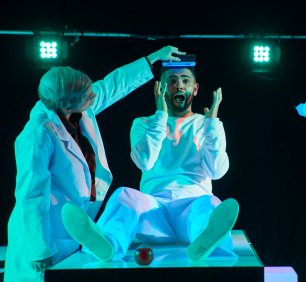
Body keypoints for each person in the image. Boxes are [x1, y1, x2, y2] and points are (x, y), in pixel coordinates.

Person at [4, 45, 185, 282]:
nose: (94, 96)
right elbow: (31, 195)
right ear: (66, 106)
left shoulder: (75, 106)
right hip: (46, 235)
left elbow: (112, 85)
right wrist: (39, 250)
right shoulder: (38, 135)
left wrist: (152, 59)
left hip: (73, 229)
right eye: (87, 96)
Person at [60, 60, 239, 263]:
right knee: (124, 195)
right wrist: (160, 116)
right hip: (154, 214)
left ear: (195, 89)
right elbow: (145, 162)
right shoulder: (143, 124)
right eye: (172, 81)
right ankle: (108, 243)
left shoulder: (207, 125)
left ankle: (205, 245)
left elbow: (216, 171)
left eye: (185, 80)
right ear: (161, 88)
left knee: (209, 203)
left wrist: (212, 126)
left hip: (191, 210)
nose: (179, 85)